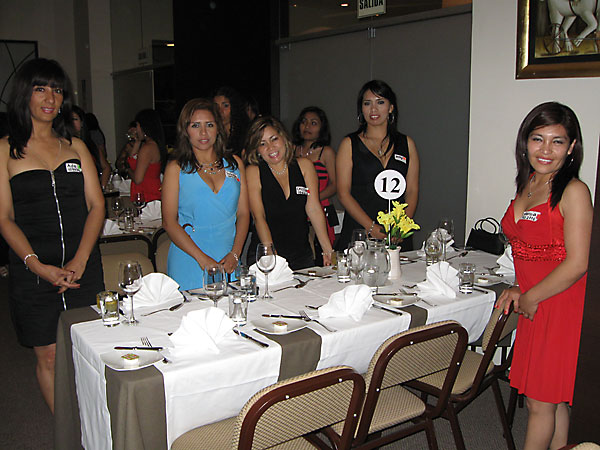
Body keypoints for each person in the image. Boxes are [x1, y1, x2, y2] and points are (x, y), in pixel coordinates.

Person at [0, 58, 105, 413]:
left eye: (57, 90)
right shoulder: (5, 149)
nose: (50, 98)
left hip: (82, 265)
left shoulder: (76, 146)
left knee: (89, 350)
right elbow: (4, 218)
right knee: (48, 355)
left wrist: (80, 260)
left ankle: (94, 423)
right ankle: (68, 429)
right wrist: (36, 266)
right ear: (24, 94)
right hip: (33, 269)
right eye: (40, 89)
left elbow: (97, 206)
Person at [496, 102, 592, 450]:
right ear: (525, 142)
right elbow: (533, 251)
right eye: (538, 139)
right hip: (536, 299)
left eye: (557, 141)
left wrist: (531, 296)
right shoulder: (530, 182)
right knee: (553, 399)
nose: (546, 150)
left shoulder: (574, 191)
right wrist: (519, 287)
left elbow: (578, 262)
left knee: (540, 404)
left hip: (560, 304)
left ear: (572, 147)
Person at [162, 98, 249, 290]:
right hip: (190, 258)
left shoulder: (235, 164)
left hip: (228, 259)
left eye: (209, 125)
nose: (203, 132)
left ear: (218, 128)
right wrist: (203, 260)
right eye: (195, 125)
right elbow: (169, 222)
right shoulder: (176, 168)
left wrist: (235, 253)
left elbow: (243, 214)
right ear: (185, 130)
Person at [336, 80, 420, 250]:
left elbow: (411, 190)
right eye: (367, 103)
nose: (373, 109)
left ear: (391, 107)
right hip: (360, 230)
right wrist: (371, 227)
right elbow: (343, 193)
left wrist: (401, 228)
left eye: (380, 102)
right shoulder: (349, 144)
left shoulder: (406, 144)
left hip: (395, 234)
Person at [245, 116, 334, 270]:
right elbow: (259, 217)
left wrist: (327, 250)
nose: (271, 147)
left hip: (301, 254)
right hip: (266, 254)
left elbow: (313, 208)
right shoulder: (254, 171)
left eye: (274, 139)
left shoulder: (304, 166)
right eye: (262, 144)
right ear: (257, 150)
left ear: (283, 138)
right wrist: (271, 255)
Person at [292, 106, 337, 263]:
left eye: (313, 123)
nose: (307, 126)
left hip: (321, 208)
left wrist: (313, 199)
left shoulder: (326, 152)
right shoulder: (291, 150)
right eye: (304, 122)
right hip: (297, 210)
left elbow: (335, 185)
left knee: (321, 256)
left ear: (322, 127)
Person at [116, 109, 166, 202]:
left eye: (137, 126)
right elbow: (133, 159)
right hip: (147, 191)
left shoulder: (147, 148)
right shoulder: (152, 145)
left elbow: (138, 179)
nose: (136, 129)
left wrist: (127, 169)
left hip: (147, 194)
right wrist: (137, 141)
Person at [72, 105, 111, 189]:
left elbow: (106, 167)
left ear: (82, 122)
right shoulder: (63, 146)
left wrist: (101, 187)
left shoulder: (90, 145)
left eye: (75, 119)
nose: (71, 123)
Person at [213, 86, 249, 157]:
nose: (220, 111)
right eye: (216, 107)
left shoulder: (246, 134)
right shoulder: (210, 134)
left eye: (225, 106)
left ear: (234, 107)